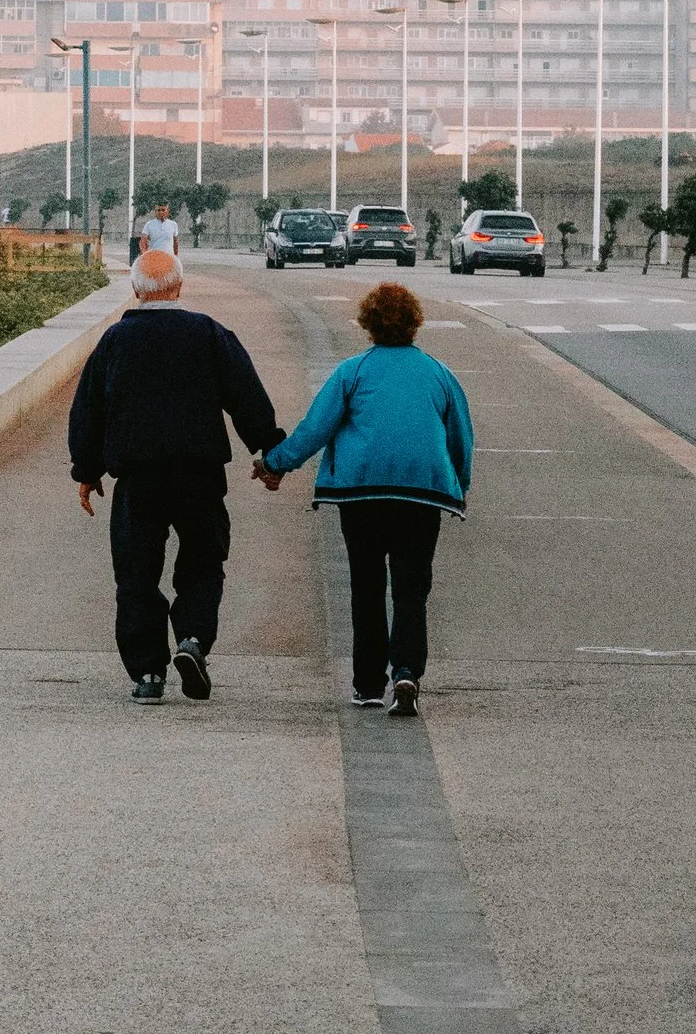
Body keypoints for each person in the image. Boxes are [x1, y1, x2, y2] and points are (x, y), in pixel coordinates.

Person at [68, 248, 282, 702]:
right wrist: (270, 451)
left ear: (135, 291)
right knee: (204, 560)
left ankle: (148, 674)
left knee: (136, 572)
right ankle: (193, 640)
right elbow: (245, 394)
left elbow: (88, 409)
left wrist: (86, 470)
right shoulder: (208, 334)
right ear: (180, 287)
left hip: (138, 477)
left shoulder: (115, 341)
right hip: (198, 473)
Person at [255, 281, 472, 718]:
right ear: (415, 323)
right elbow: (459, 438)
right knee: (411, 589)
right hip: (422, 494)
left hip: (362, 495)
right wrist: (458, 486)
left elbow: (316, 429)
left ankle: (369, 685)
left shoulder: (352, 373)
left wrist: (275, 465)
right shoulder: (439, 374)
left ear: (367, 324)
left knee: (367, 588)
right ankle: (407, 672)